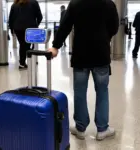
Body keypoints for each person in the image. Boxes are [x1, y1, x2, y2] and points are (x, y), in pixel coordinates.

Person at [49, 0, 119, 140]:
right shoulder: (108, 4)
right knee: (102, 91)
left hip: (81, 55)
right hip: (101, 55)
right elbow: (114, 27)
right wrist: (105, 37)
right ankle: (102, 129)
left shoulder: (75, 3)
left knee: (80, 91)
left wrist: (56, 46)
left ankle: (80, 128)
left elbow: (65, 26)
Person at [9, 0, 43, 70]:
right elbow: (40, 16)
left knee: (23, 44)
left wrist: (12, 29)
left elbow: (11, 19)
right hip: (30, 29)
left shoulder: (14, 4)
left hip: (17, 28)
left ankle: (22, 62)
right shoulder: (34, 2)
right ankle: (22, 63)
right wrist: (35, 26)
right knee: (25, 45)